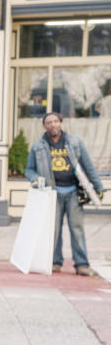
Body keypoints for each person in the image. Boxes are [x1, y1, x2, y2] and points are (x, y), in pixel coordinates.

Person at [25, 112, 105, 276]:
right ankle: (55, 262)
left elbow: (88, 166)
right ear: (44, 126)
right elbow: (29, 169)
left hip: (74, 192)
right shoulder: (38, 146)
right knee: (53, 231)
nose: (53, 125)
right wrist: (35, 179)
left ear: (61, 123)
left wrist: (98, 188)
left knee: (77, 229)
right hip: (52, 193)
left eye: (55, 121)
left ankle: (82, 264)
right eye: (49, 122)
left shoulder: (75, 142)